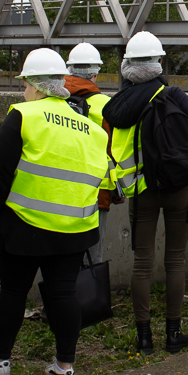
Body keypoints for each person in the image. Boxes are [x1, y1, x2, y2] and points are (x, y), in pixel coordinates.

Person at [0, 49, 110, 375]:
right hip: (74, 228)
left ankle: (0, 360)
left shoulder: (23, 115)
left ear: (35, 85)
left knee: (13, 292)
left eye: (24, 84)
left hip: (24, 226)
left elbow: (0, 177)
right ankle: (65, 366)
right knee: (64, 293)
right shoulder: (91, 128)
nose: (23, 92)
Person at [103, 31, 188, 355]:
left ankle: (144, 337)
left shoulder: (119, 104)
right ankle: (173, 334)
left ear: (126, 66)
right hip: (178, 186)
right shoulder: (173, 94)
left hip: (142, 190)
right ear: (159, 62)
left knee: (142, 262)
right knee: (175, 260)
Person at [64, 42, 111, 264]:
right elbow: (113, 151)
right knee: (94, 255)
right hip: (95, 191)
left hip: (57, 190)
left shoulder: (53, 100)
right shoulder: (105, 105)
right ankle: (91, 298)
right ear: (95, 73)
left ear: (69, 70)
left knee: (64, 258)